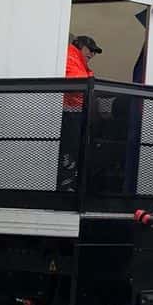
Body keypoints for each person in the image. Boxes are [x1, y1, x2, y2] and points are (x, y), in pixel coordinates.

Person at [59, 36, 101, 192]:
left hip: (73, 114)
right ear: (80, 46)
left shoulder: (79, 62)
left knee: (72, 154)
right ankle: (65, 188)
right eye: (90, 50)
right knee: (68, 154)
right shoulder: (70, 55)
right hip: (68, 115)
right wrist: (91, 80)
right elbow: (73, 81)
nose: (92, 54)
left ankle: (68, 185)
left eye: (95, 52)